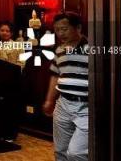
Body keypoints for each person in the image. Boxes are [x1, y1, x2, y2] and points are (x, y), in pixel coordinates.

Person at [43, 12, 88, 161]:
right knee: (60, 151)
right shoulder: (59, 50)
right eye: (57, 30)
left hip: (86, 107)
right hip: (63, 105)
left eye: (64, 29)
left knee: (76, 153)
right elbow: (55, 75)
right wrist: (49, 101)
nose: (60, 33)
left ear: (78, 28)